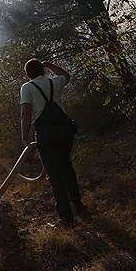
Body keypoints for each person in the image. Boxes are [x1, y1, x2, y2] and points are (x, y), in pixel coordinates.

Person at [20, 58, 87, 226]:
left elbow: (26, 114)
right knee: (67, 167)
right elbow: (66, 75)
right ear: (42, 70)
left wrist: (25, 137)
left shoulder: (27, 88)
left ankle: (66, 218)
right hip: (64, 131)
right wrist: (49, 65)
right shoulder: (54, 82)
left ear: (28, 74)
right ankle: (78, 205)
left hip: (45, 134)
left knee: (54, 175)